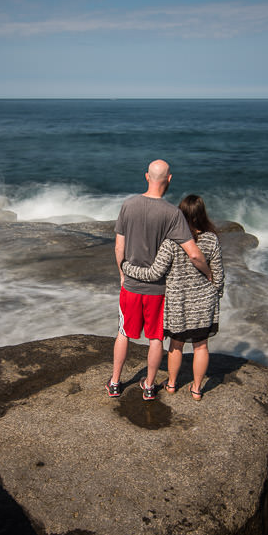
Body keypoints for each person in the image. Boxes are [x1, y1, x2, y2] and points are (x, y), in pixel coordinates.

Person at [108, 160, 211, 400]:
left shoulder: (128, 205)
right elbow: (194, 253)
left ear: (146, 176)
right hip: (158, 290)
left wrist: (123, 274)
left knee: (124, 332)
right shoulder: (172, 213)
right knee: (155, 338)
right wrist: (208, 272)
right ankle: (150, 386)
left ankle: (115, 383)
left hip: (131, 286)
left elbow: (118, 247)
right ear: (169, 179)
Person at [120, 194, 223, 401]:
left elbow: (153, 274)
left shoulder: (171, 242)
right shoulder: (212, 240)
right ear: (203, 215)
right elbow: (218, 275)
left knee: (176, 344)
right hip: (205, 301)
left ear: (179, 216)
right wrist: (216, 294)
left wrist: (126, 267)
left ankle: (172, 384)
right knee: (201, 345)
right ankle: (196, 389)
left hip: (178, 302)